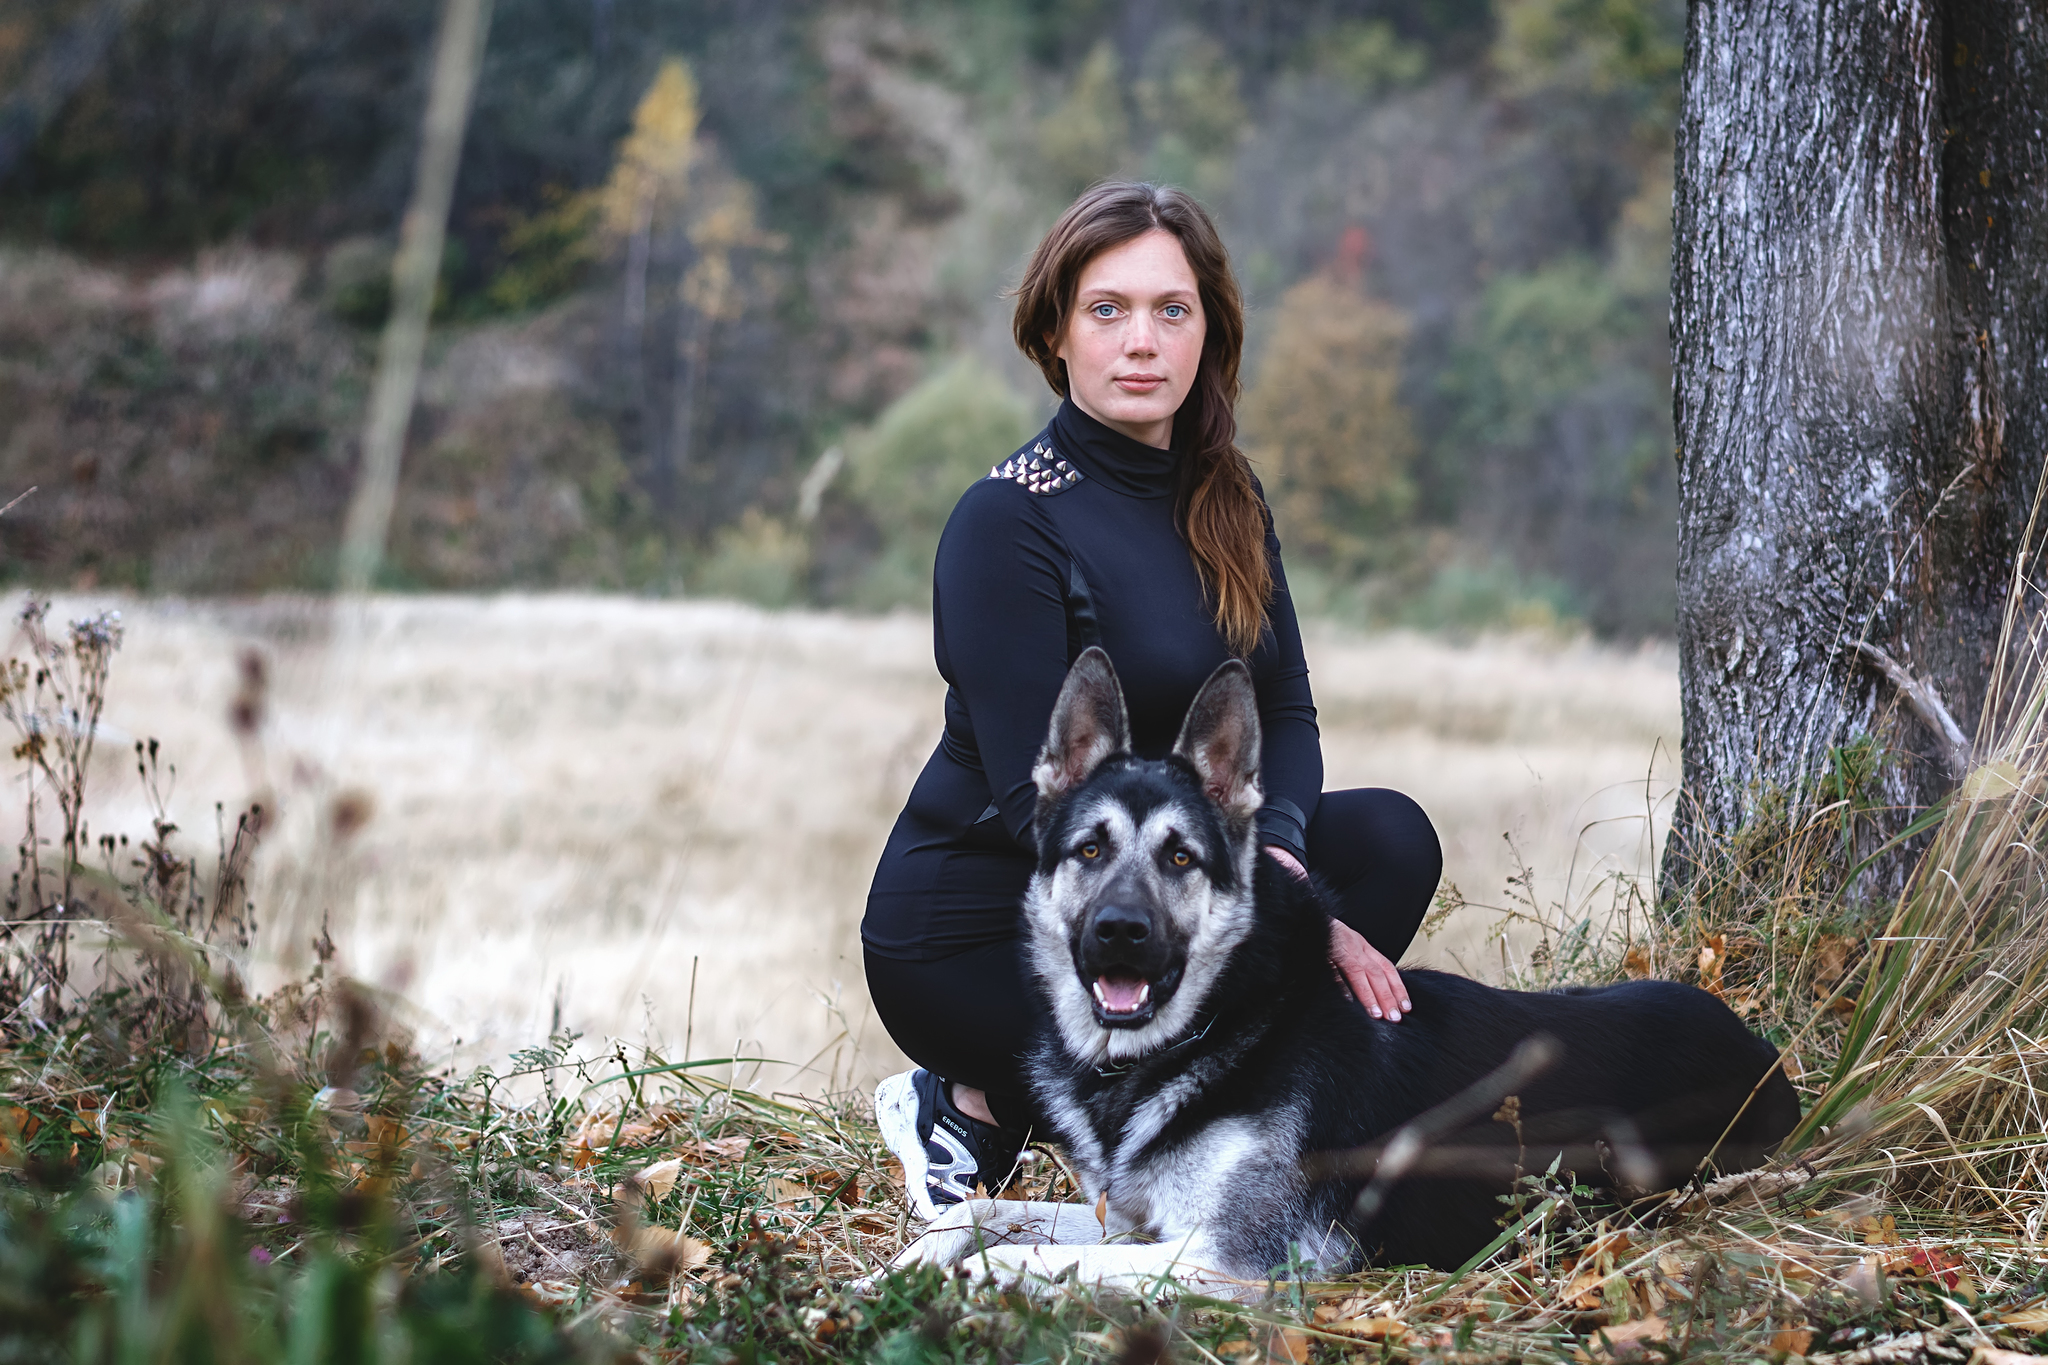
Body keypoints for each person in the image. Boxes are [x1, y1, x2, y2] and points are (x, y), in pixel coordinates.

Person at [861, 181, 1443, 1216]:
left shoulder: (1225, 494)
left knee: (1390, 841)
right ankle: (965, 1106)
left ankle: (1224, 1147)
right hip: (985, 928)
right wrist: (1289, 932)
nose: (1141, 341)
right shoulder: (1005, 522)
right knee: (1253, 950)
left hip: (1162, 896)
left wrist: (1282, 877)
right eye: (1106, 310)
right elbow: (1029, 803)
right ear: (1054, 334)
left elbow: (1288, 715)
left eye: (1170, 310)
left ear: (1207, 331)